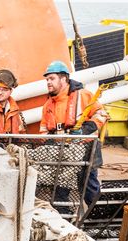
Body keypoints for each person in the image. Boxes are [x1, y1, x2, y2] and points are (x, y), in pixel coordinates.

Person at [40, 60, 108, 204]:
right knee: (60, 188)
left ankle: (95, 214)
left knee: (88, 185)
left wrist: (84, 129)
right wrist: (50, 142)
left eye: (51, 78)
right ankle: (64, 216)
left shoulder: (83, 95)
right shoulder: (48, 105)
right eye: (47, 79)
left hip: (86, 149)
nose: (48, 82)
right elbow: (43, 130)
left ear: (63, 79)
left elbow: (101, 114)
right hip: (61, 153)